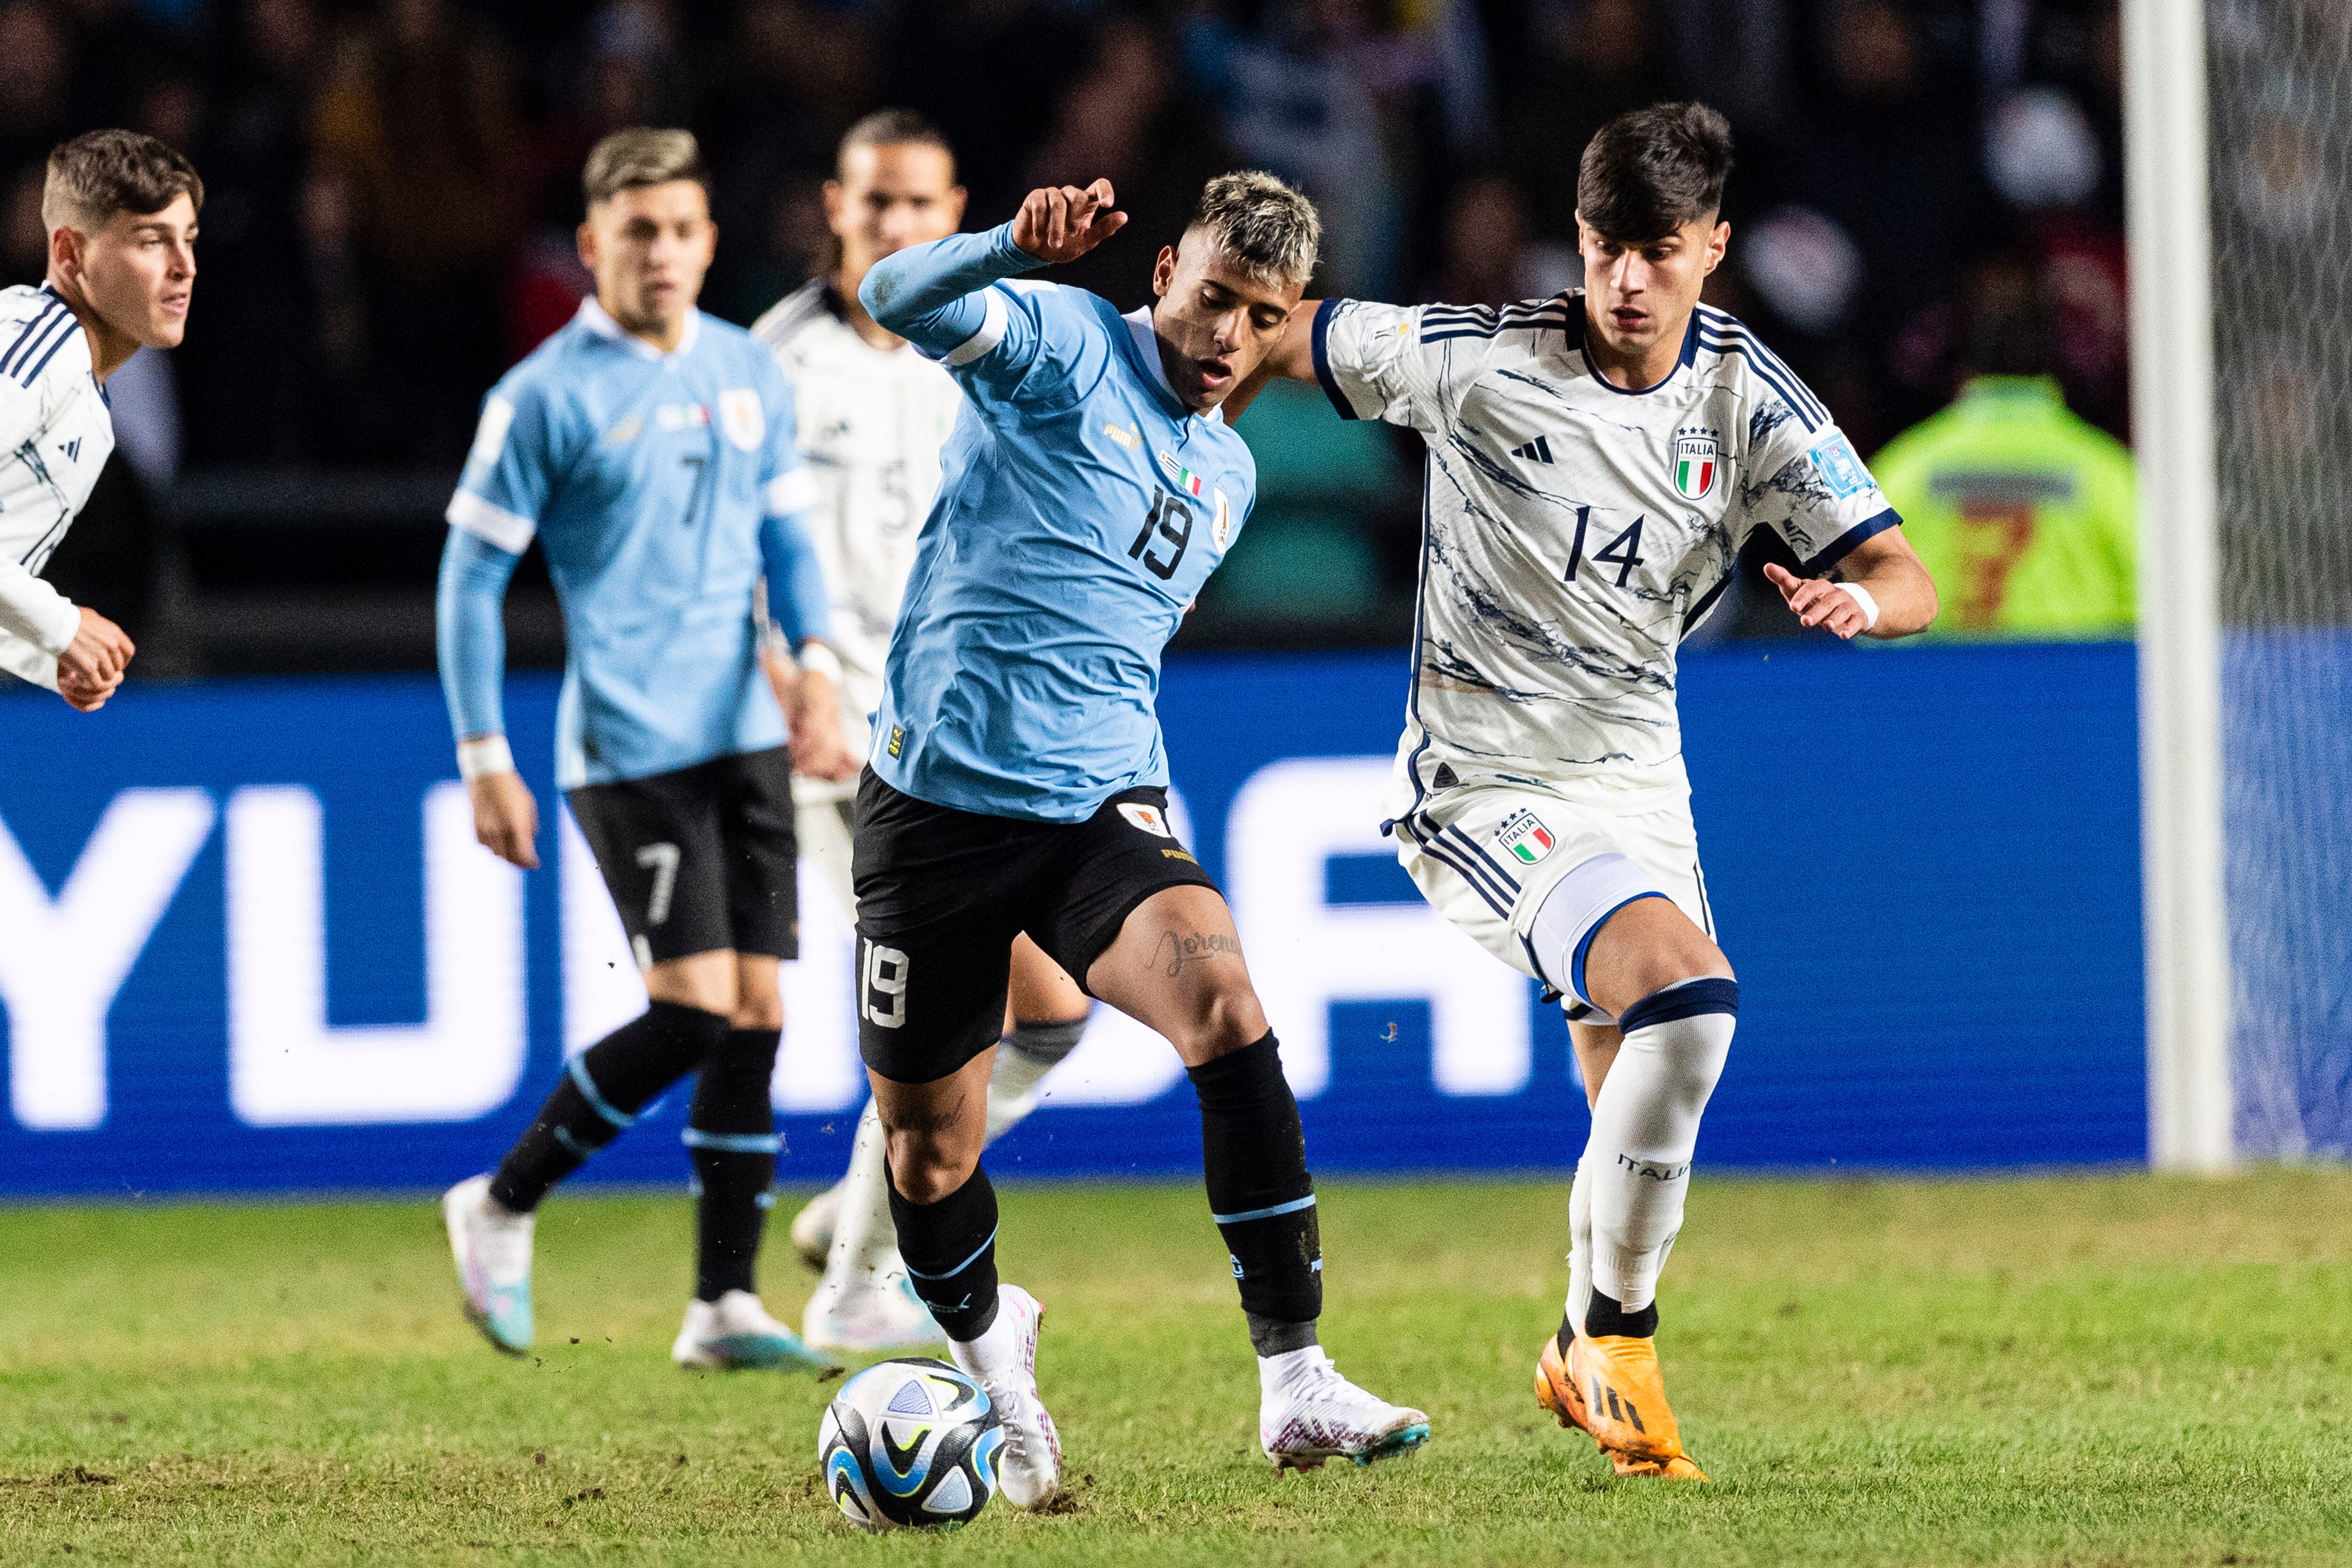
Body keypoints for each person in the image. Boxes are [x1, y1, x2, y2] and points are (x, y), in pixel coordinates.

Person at [1237, 102, 1938, 1479]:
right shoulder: (1480, 361)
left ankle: (1593, 1342)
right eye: (1606, 248)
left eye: (1658, 253)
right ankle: (1606, 1341)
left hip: (1636, 781)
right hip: (1485, 782)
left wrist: (1862, 601)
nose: (1626, 282)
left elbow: (1903, 570)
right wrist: (1152, 374)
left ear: (1713, 248)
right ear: (1576, 237)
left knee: (1641, 1069)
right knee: (1689, 996)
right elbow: (1284, 329)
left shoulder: (1744, 395)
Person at [849, 170, 1431, 1508]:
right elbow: (889, 296)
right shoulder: (1060, 347)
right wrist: (1007, 245)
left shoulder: (1228, 465)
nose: (1226, 333)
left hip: (1099, 808)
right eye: (1212, 294)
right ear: (1163, 268)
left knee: (1225, 1005)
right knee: (928, 1155)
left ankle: (1297, 1379)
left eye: (1259, 314)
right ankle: (1000, 1375)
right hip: (934, 809)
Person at [435, 128, 850, 1376]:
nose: (661, 252)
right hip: (624, 743)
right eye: (636, 232)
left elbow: (787, 540)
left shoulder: (745, 368)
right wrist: (482, 751)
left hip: (745, 735)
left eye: (680, 230)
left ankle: (723, 1301)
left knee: (760, 1011)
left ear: (708, 240)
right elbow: (469, 581)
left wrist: (816, 666)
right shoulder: (544, 396)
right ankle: (501, 1201)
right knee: (697, 1003)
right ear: (592, 245)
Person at [750, 110, 1097, 1355]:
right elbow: (726, 548)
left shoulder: (984, 346)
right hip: (839, 732)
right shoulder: (772, 362)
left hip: (962, 726)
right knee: (953, 1005)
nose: (893, 224)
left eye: (916, 205)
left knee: (1050, 1012)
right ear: (834, 211)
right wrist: (797, 681)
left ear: (953, 210)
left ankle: (862, 1206)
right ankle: (858, 1272)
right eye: (872, 204)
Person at [0, 130, 197, 709]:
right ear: (69, 254)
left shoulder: (93, 408)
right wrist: (62, 627)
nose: (184, 268)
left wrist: (46, 655)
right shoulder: (36, 348)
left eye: (188, 240)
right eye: (150, 242)